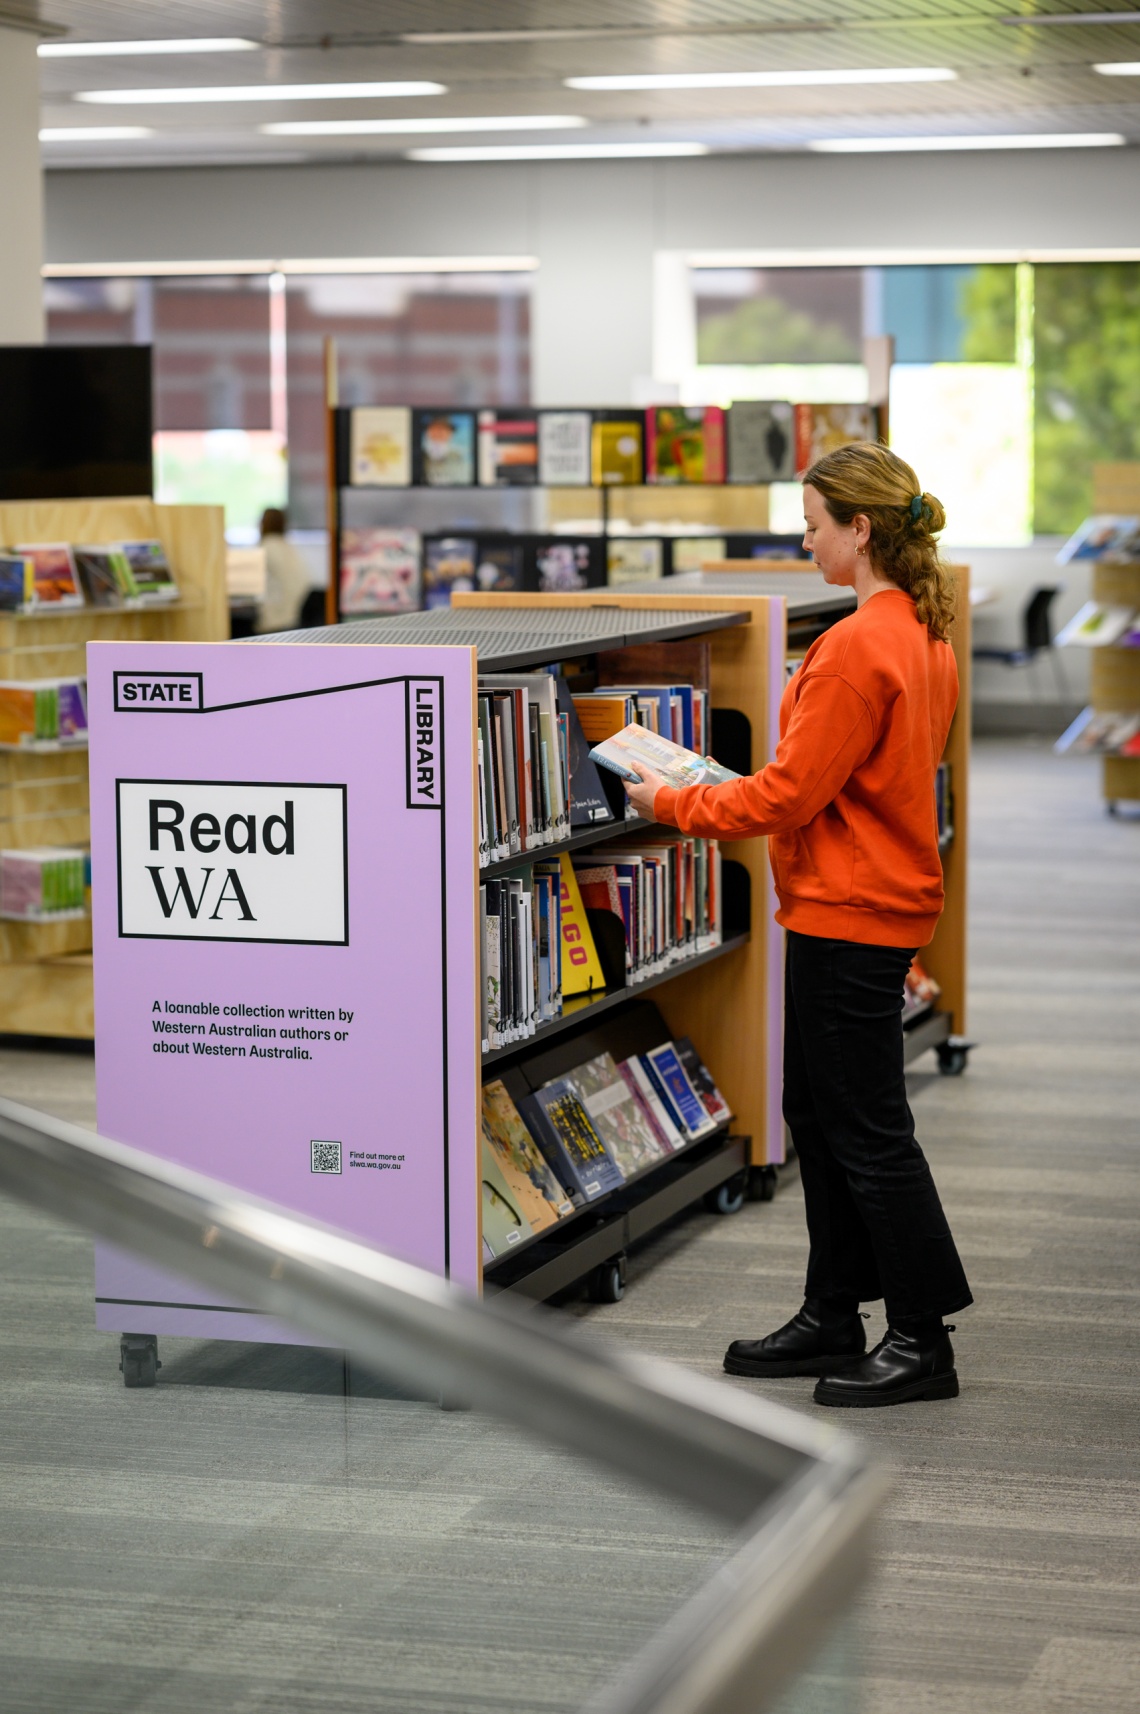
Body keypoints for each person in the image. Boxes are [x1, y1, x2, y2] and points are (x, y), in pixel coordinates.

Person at [623, 442, 972, 1408]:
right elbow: (840, 781)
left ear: (860, 529)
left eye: (813, 526)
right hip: (864, 901)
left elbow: (786, 796)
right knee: (819, 1114)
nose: (804, 541)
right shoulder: (922, 632)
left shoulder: (859, 646)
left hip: (849, 913)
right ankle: (833, 1309)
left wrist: (671, 801)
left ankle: (922, 1337)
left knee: (867, 1129)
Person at [253, 507, 312, 635]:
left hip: (274, 618)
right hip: (293, 616)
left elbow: (250, 582)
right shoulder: (287, 546)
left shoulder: (266, 546)